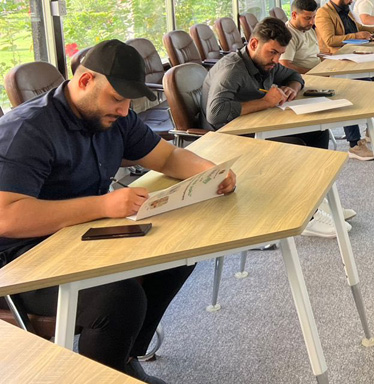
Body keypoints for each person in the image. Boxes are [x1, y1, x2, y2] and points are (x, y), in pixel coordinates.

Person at [0, 40, 237, 384]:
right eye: (116, 99)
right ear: (85, 81)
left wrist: (212, 173)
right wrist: (102, 205)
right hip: (22, 260)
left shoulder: (114, 117)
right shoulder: (28, 129)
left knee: (177, 255)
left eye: (129, 101)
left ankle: (123, 360)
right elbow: (8, 217)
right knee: (119, 298)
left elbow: (168, 157)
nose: (125, 110)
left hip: (80, 234)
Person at [201, 17, 352, 238]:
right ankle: (302, 215)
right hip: (228, 134)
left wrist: (292, 88)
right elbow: (216, 114)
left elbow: (293, 75)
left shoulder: (265, 64)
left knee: (317, 133)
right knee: (294, 147)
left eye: (280, 54)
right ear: (254, 44)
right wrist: (265, 102)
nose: (276, 59)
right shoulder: (232, 70)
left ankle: (314, 200)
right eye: (272, 52)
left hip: (255, 123)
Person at [314, 0, 374, 160]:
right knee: (359, 86)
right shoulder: (323, 13)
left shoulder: (346, 11)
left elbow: (359, 28)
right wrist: (356, 36)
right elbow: (330, 40)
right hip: (336, 59)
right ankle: (354, 144)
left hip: (353, 54)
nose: (351, 1)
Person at [280, 0, 322, 74]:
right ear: (294, 15)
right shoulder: (287, 35)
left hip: (318, 70)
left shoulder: (308, 28)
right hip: (306, 76)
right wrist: (313, 73)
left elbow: (313, 54)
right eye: (307, 18)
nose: (312, 22)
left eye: (314, 17)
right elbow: (285, 65)